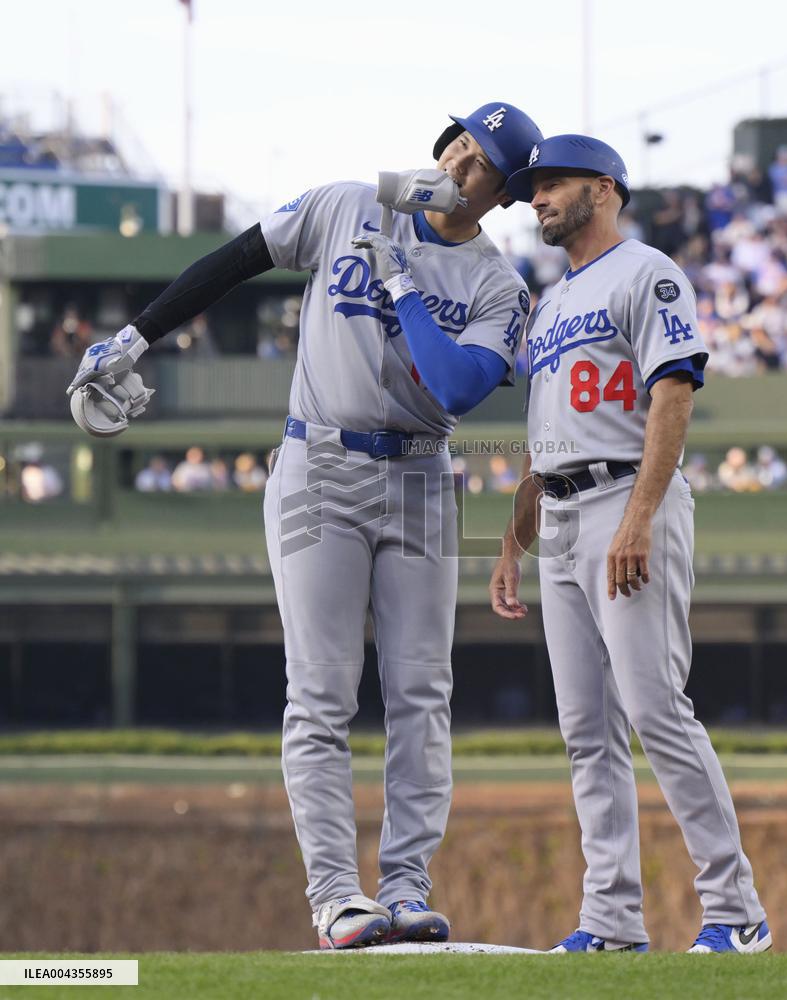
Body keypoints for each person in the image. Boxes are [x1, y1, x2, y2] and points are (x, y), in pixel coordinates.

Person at [66, 102, 543, 950]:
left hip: (424, 474)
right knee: (320, 692)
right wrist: (135, 337)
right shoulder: (347, 203)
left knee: (421, 692)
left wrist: (398, 278)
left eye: (481, 164)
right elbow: (238, 259)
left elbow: (458, 391)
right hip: (317, 461)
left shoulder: (498, 285)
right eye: (458, 143)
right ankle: (335, 897)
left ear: (502, 194)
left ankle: (404, 888)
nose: (459, 162)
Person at [489, 134, 770, 954]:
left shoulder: (646, 270)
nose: (537, 198)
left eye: (552, 183)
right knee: (586, 729)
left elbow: (672, 390)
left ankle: (735, 911)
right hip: (562, 511)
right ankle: (610, 923)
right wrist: (513, 540)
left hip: (624, 496)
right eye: (532, 187)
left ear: (603, 188)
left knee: (654, 710)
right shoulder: (549, 301)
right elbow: (548, 437)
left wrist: (640, 515)